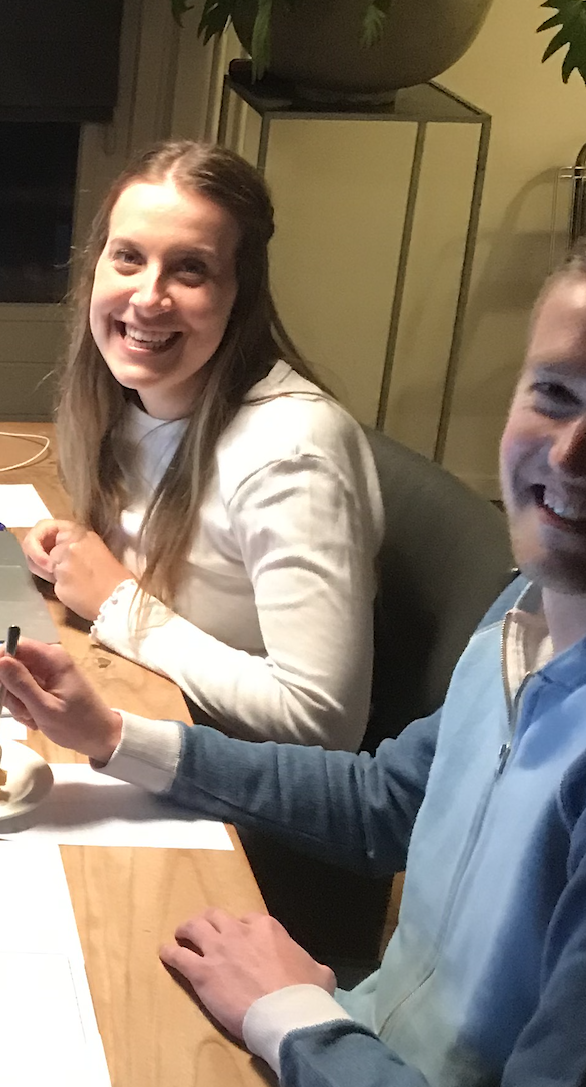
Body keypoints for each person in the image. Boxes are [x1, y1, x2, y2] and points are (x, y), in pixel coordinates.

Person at [0, 220, 586, 1087]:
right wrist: (118, 738)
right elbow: (389, 800)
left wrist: (293, 1017)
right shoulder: (537, 606)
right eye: (555, 393)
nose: (576, 455)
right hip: (356, 1079)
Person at [31, 140, 382, 751]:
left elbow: (325, 726)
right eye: (128, 257)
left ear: (239, 294)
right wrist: (80, 552)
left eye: (190, 269)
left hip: (228, 781)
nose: (148, 297)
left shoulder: (291, 455)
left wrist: (116, 602)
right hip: (144, 713)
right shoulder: (137, 401)